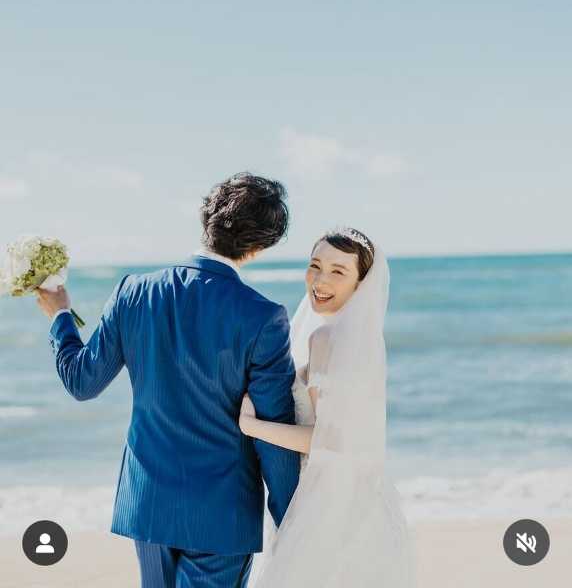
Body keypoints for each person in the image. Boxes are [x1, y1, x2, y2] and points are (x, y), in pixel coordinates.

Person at [36, 173, 300, 588]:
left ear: (205, 219)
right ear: (259, 247)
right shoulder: (263, 317)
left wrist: (60, 316)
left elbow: (81, 381)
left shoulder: (133, 292)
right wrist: (293, 519)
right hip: (221, 515)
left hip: (147, 504)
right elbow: (273, 431)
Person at [239, 228, 416, 587]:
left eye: (338, 271)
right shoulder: (363, 341)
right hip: (366, 503)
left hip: (327, 505)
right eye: (315, 265)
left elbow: (328, 441)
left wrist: (251, 426)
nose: (320, 280)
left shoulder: (327, 339)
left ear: (360, 283)